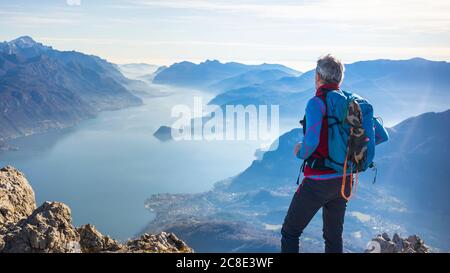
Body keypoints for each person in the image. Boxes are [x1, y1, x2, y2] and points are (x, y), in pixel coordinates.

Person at [280, 54, 389, 253]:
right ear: (340, 78)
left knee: (290, 231)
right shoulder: (353, 102)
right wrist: (352, 150)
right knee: (333, 236)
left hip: (319, 182)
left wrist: (300, 152)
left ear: (318, 76)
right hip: (345, 180)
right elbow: (381, 136)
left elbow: (311, 142)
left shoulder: (317, 103)